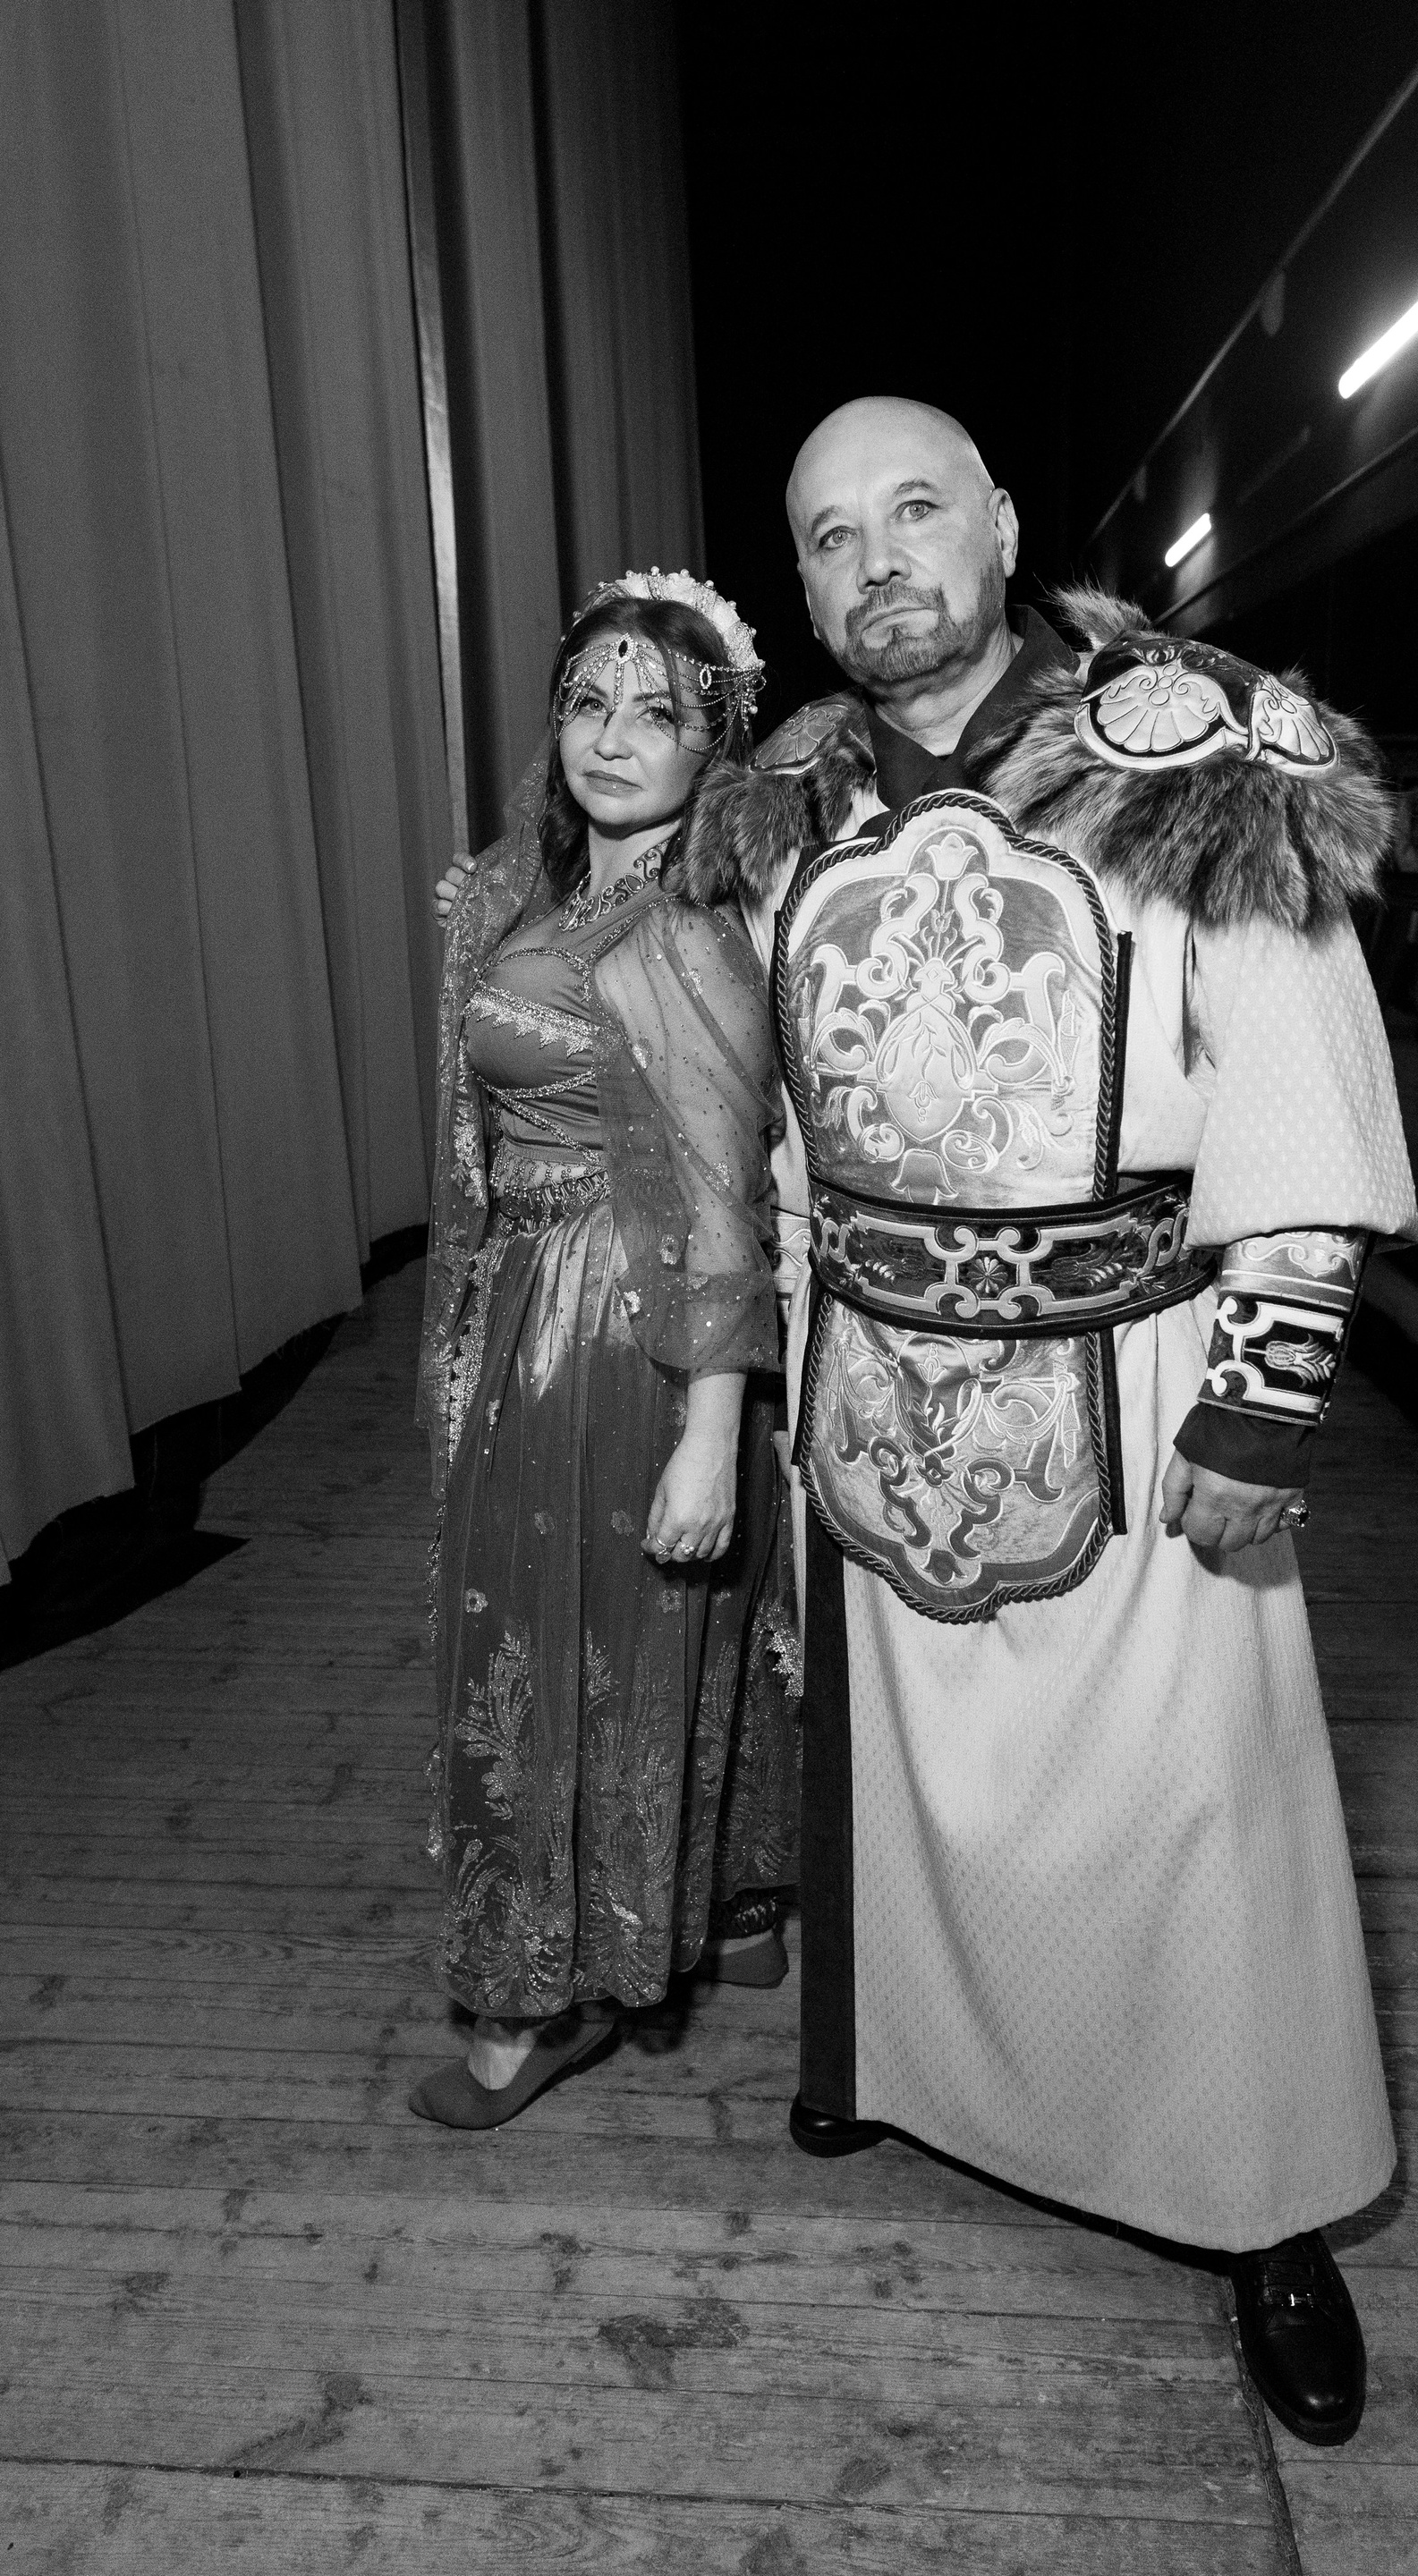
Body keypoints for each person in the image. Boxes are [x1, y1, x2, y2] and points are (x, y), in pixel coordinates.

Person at [681, 399, 1418, 2447]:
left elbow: (1298, 1069)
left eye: (916, 511)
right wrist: (782, 1378)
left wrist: (1267, 1399)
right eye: (831, 536)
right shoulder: (783, 807)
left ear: (1003, 526)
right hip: (876, 1398)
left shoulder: (1191, 755)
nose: (878, 563)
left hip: (1142, 1380)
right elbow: (779, 1132)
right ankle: (908, 2075)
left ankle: (1263, 2206)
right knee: (918, 1799)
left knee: (1204, 1810)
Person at [412, 571, 797, 2130]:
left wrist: (711, 1436)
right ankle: (738, 1911)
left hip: (618, 1332)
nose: (613, 737)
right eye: (588, 702)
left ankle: (537, 1997)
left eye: (660, 712)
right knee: (634, 1639)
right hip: (539, 1299)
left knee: (559, 1654)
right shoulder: (552, 897)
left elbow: (723, 1204)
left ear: (716, 746)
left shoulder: (682, 934)